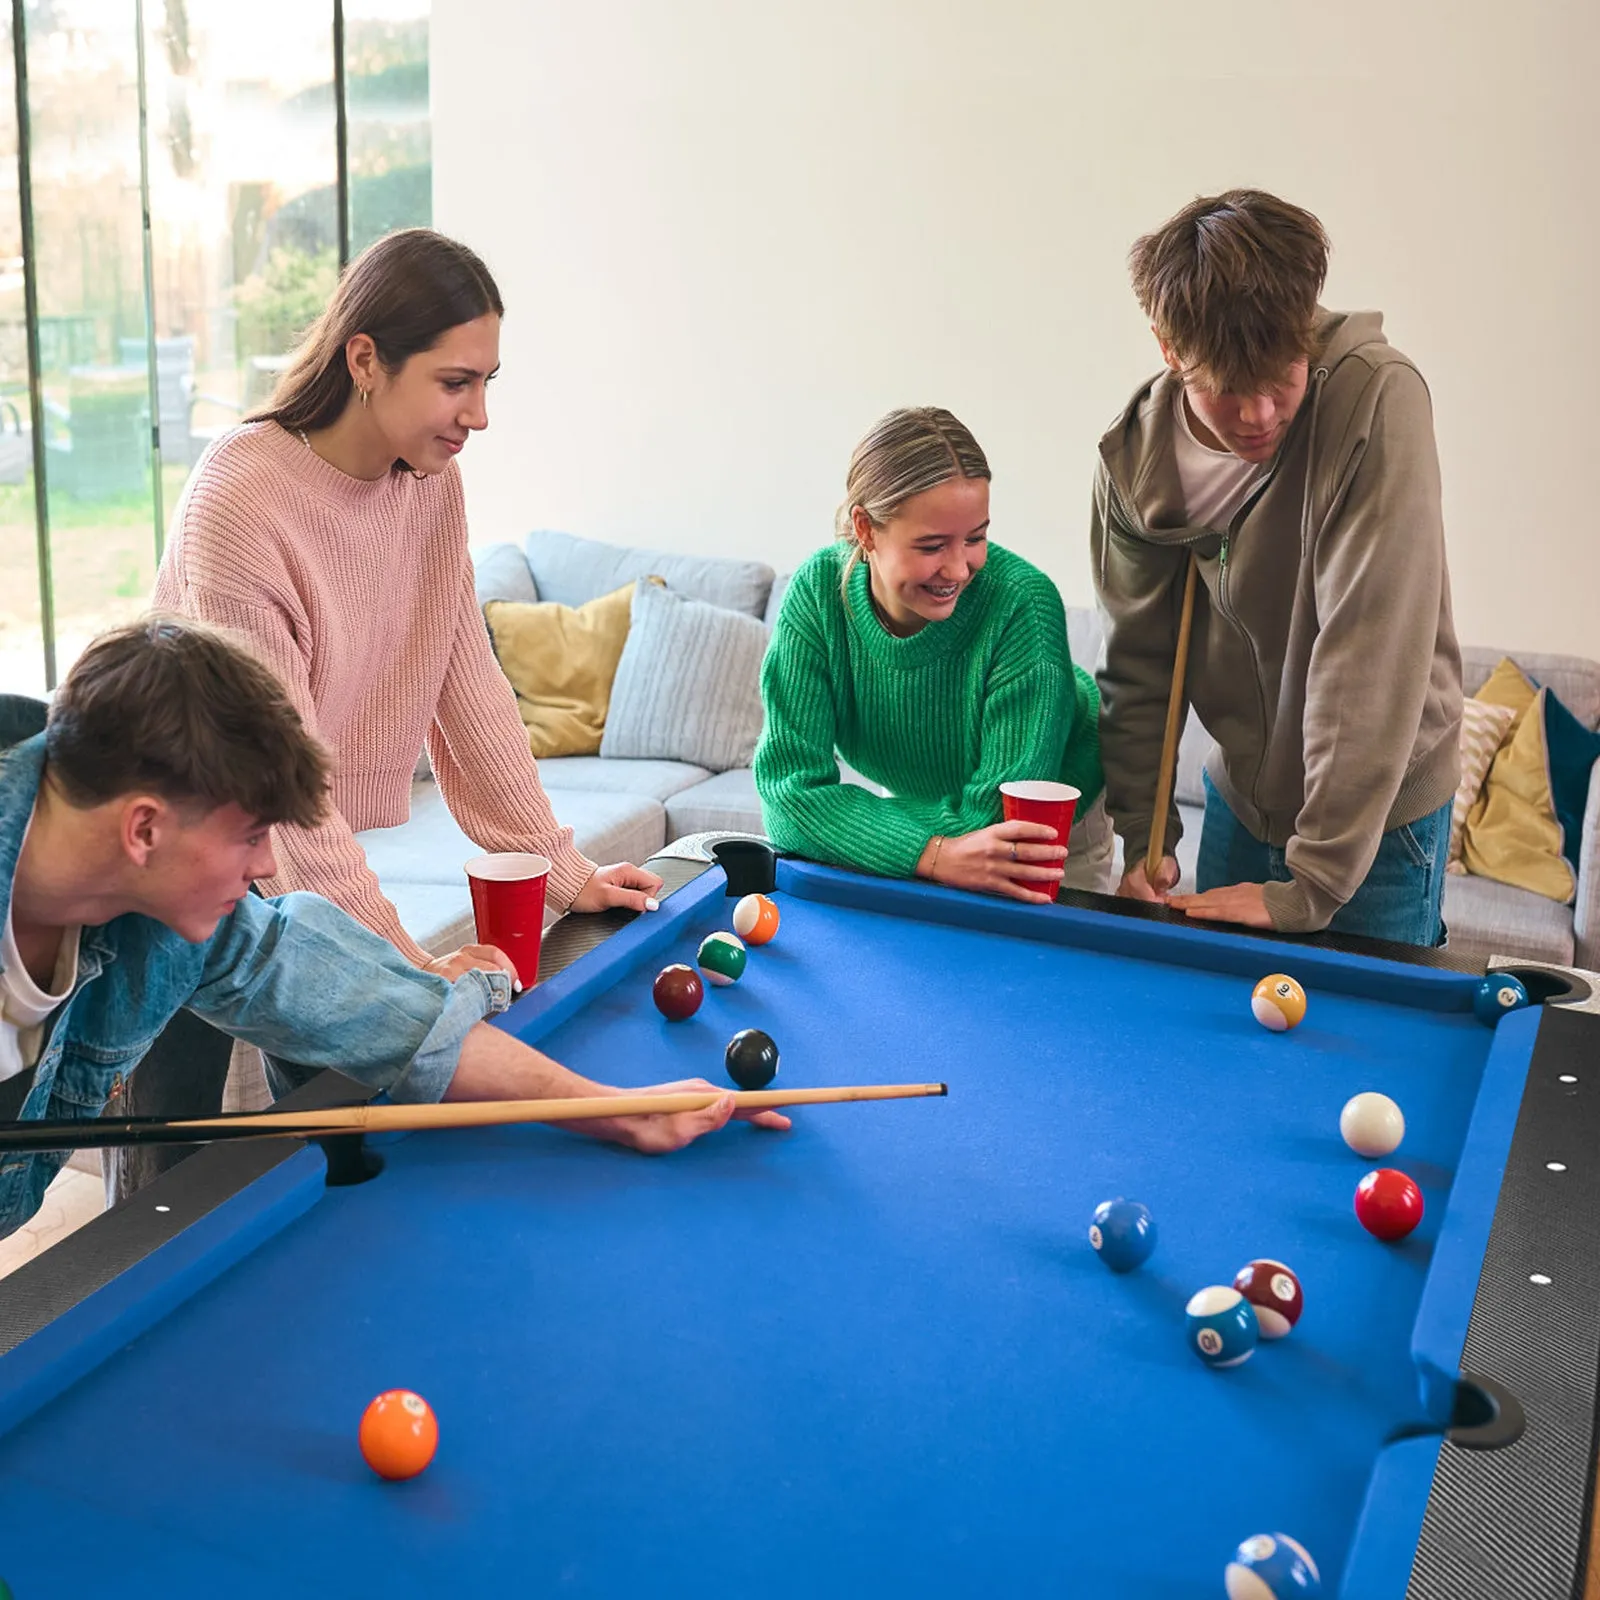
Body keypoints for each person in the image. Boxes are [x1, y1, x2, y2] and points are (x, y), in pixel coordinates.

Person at [131, 229, 666, 1197]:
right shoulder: (241, 498)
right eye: (457, 382)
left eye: (489, 381)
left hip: (277, 846)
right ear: (365, 359)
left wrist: (560, 867)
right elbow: (280, 788)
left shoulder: (432, 488)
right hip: (170, 861)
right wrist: (407, 967)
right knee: (175, 1181)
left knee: (354, 1135)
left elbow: (471, 688)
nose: (481, 414)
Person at [0, 618, 788, 1241]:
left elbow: (380, 1012)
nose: (267, 863)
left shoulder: (179, 924)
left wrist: (612, 1107)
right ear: (144, 831)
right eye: (249, 836)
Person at [1091, 190, 1461, 943]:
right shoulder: (1136, 460)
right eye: (1228, 390)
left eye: (1281, 377)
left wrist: (1314, 882)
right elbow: (1137, 667)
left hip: (1380, 823)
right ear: (1168, 347)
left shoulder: (1376, 400)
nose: (1259, 415)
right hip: (1240, 803)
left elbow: (1367, 652)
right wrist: (1144, 838)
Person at [756, 406, 1109, 901]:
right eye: (932, 545)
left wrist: (862, 828)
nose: (959, 569)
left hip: (1045, 816)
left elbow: (996, 822)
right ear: (865, 529)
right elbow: (788, 800)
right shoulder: (817, 596)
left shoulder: (1023, 604)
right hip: (924, 808)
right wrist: (929, 850)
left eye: (976, 538)